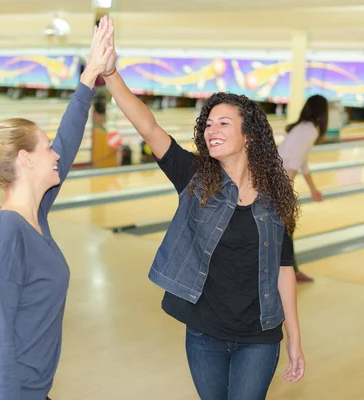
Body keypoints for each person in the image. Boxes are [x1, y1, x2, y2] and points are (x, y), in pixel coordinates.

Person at [99, 18, 305, 400]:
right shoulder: (195, 177)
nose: (212, 129)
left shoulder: (276, 196)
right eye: (209, 123)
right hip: (204, 332)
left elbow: (284, 268)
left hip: (259, 336)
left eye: (224, 123)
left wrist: (294, 337)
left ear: (249, 135)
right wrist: (111, 73)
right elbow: (149, 127)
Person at [0, 18, 113, 400]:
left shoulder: (34, 216)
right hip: (5, 391)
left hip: (30, 389)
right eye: (46, 148)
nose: (56, 154)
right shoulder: (6, 233)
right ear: (26, 160)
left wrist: (89, 78)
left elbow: (67, 144)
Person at [278, 94, 329, 283]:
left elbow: (302, 161)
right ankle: (289, 270)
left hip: (274, 178)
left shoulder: (304, 128)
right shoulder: (309, 130)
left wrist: (313, 189)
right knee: (282, 228)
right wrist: (285, 191)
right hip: (277, 181)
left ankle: (291, 269)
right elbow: (294, 161)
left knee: (284, 229)